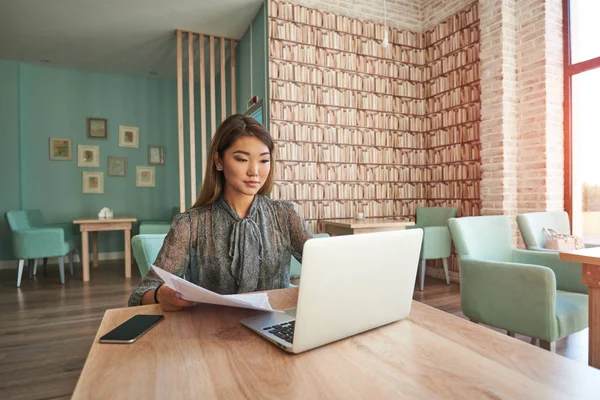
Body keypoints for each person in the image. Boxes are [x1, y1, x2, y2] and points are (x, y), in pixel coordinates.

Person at [128, 114, 313, 310]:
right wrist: (160, 295)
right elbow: (140, 294)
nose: (254, 171)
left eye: (264, 160)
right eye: (242, 159)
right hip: (212, 333)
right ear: (219, 161)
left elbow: (328, 267)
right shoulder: (190, 224)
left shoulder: (285, 215)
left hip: (275, 331)